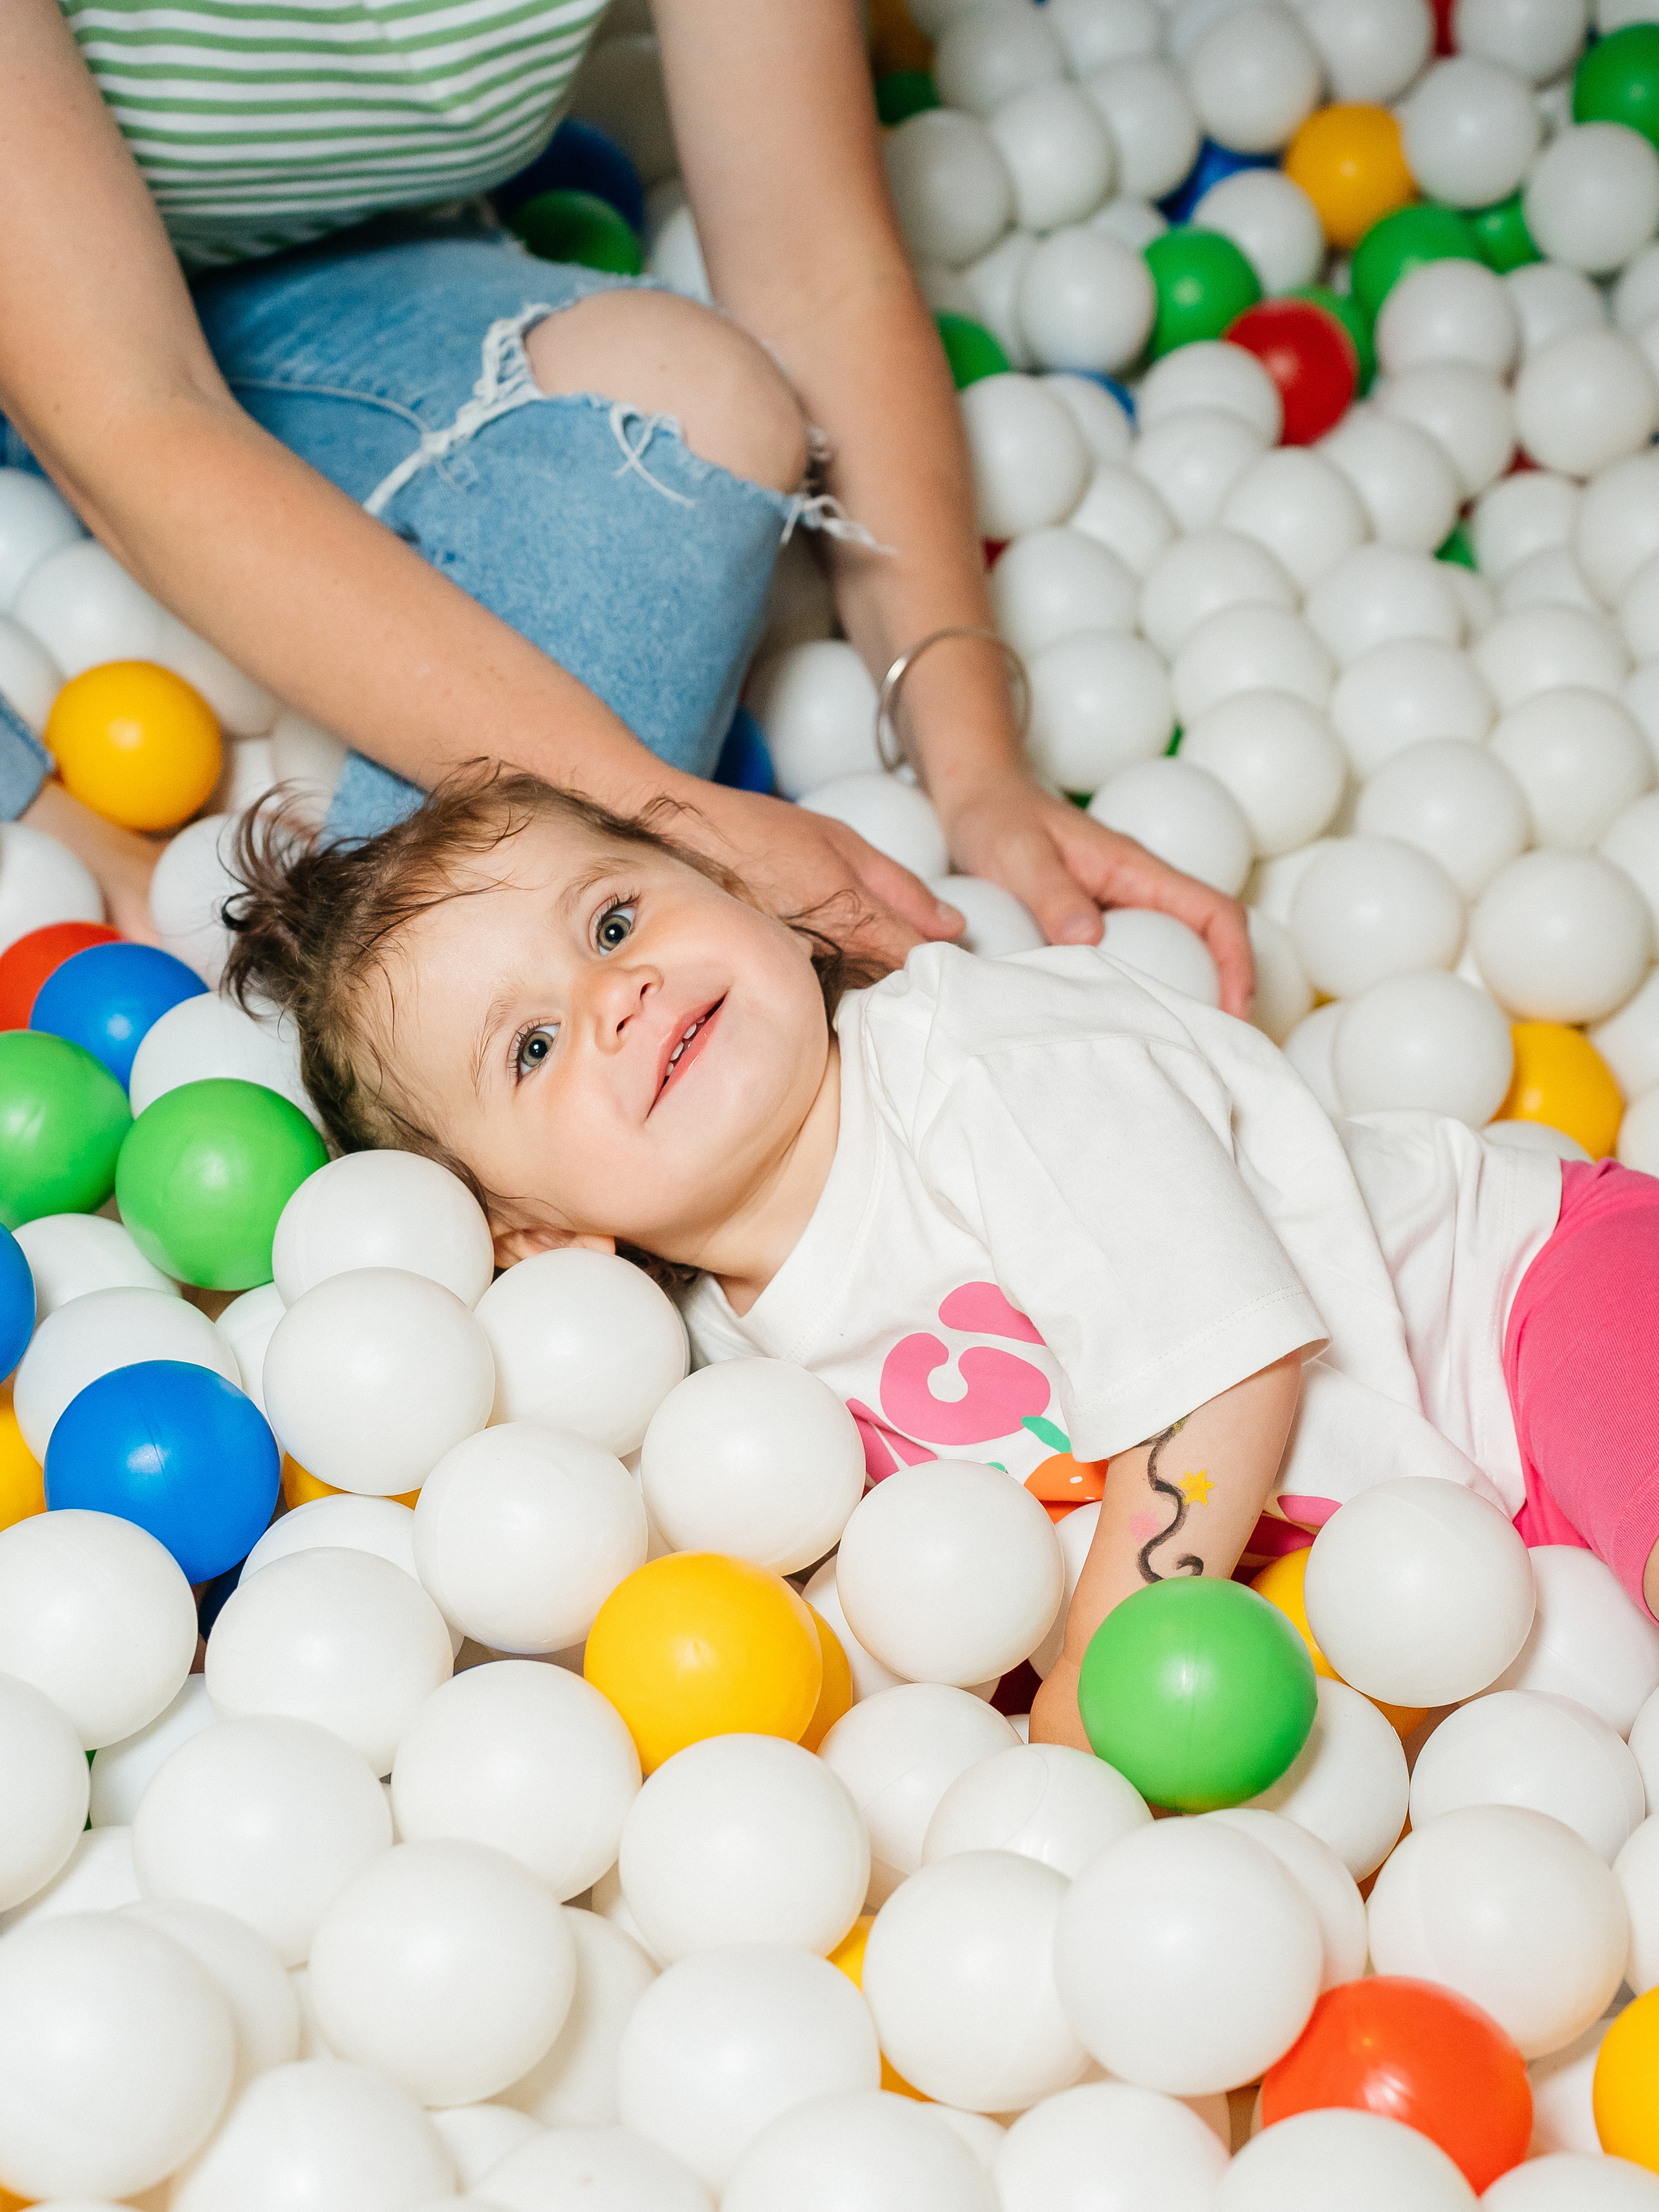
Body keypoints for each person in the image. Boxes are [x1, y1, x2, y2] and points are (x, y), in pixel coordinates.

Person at [224, 768, 1659, 1745]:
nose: (618, 993)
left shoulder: (988, 1058)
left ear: (748, 898)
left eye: (614, 919)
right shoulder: (712, 1377)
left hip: (1524, 1308)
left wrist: (1086, 1699)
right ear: (533, 1234)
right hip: (1388, 1578)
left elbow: (1223, 1363)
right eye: (530, 1047)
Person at [0, 0, 1250, 1004]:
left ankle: (393, 1037)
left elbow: (820, 273)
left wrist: (975, 767)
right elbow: (132, 416)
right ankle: (347, 1050)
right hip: (87, 336)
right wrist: (670, 815)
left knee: (693, 406)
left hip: (297, 278)